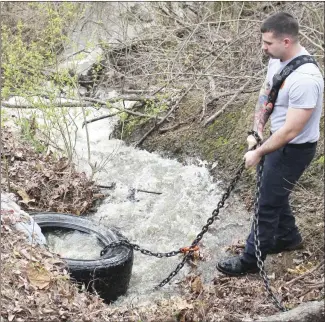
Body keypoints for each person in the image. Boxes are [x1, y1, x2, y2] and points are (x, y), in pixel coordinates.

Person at [217, 12, 324, 276]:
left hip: (294, 149)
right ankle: (288, 237)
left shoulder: (306, 79)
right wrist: (257, 129)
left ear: (286, 41)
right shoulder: (278, 60)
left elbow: (291, 130)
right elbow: (267, 93)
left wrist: (259, 152)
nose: (263, 48)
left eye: (268, 43)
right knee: (273, 191)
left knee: (265, 204)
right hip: (277, 142)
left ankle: (251, 260)